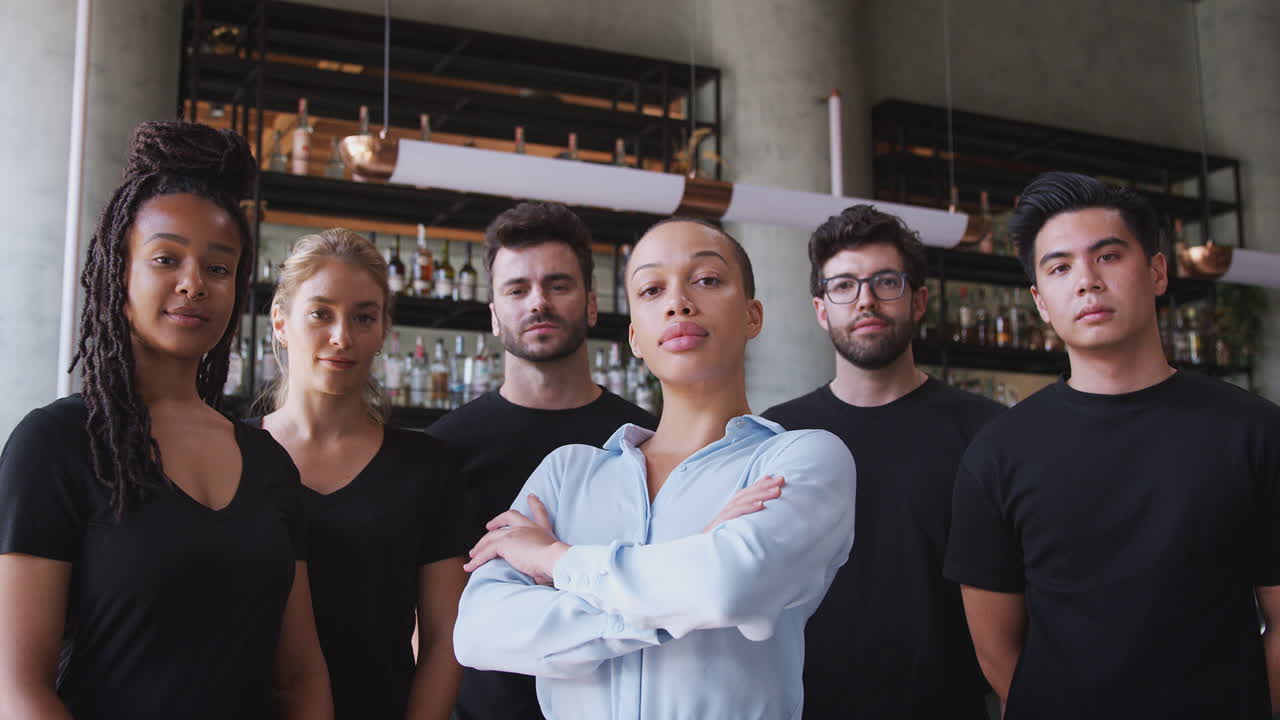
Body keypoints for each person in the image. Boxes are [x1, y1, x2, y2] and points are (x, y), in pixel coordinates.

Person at [452, 217, 857, 720]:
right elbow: (478, 632)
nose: (678, 303)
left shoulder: (802, 459)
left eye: (707, 280)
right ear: (635, 337)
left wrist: (558, 561)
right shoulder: (567, 473)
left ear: (753, 316)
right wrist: (688, 584)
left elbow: (729, 586)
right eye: (651, 288)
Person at [0, 121, 332, 719]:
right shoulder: (57, 445)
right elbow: (19, 690)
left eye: (218, 268)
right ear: (117, 274)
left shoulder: (269, 465)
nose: (193, 284)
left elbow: (301, 680)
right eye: (165, 258)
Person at [944, 171, 1280, 719]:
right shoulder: (996, 455)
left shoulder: (1255, 432)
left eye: (1107, 257)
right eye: (1059, 267)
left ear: (1156, 271)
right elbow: (995, 648)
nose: (1086, 281)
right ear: (1041, 302)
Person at [763, 205, 1002, 719]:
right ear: (822, 308)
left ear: (918, 301)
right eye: (844, 285)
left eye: (885, 282)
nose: (866, 300)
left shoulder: (988, 433)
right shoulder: (776, 437)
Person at [426, 202, 656, 720]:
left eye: (558, 285)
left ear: (592, 306)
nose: (538, 303)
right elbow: (428, 625)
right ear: (493, 314)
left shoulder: (645, 442)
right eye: (516, 289)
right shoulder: (441, 449)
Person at [253, 228, 469, 719]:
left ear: (383, 331)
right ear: (281, 321)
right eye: (320, 313)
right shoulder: (232, 454)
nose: (342, 336)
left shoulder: (426, 467)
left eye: (363, 317)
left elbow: (444, 640)